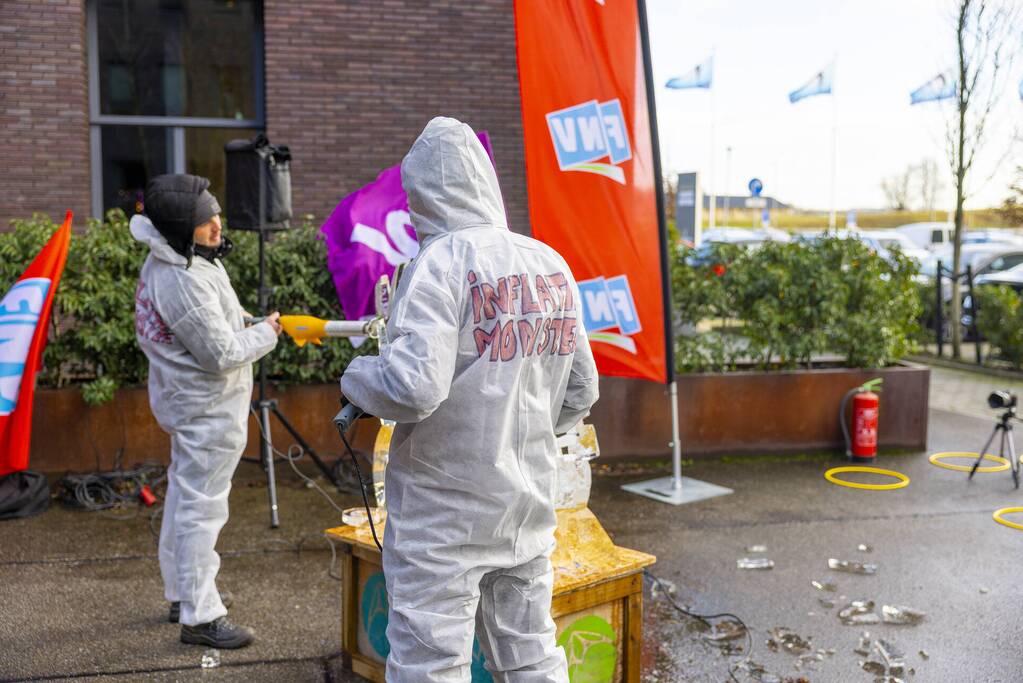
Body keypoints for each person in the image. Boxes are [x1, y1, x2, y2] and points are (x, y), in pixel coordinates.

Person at [340, 117, 599, 682]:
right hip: (527, 502)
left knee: (430, 663)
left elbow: (411, 387)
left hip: (444, 513)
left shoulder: (439, 263)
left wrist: (357, 376)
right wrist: (518, 429)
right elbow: (582, 389)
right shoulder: (548, 262)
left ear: (427, 193)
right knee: (530, 651)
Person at [132, 174, 281, 649]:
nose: (218, 224)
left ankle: (182, 592)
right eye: (205, 220)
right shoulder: (181, 277)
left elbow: (213, 325)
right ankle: (201, 614)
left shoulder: (182, 258)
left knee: (183, 495)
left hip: (190, 403)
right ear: (181, 228)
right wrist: (267, 334)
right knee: (202, 509)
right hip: (207, 409)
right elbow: (218, 353)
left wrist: (245, 323)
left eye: (215, 212)